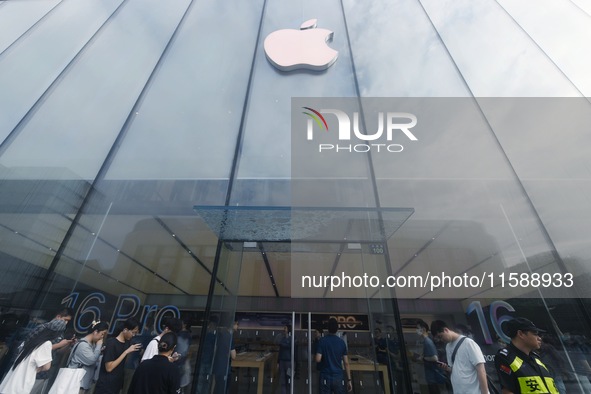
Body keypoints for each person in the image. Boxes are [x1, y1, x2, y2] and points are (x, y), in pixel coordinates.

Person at [495, 317, 559, 394]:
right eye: (535, 333)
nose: (539, 338)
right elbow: (507, 391)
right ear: (521, 334)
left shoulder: (536, 358)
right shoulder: (506, 358)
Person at [0, 319, 65, 394]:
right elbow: (47, 367)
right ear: (57, 334)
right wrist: (39, 369)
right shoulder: (46, 344)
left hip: (10, 381)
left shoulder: (33, 340)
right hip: (21, 384)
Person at [430, 320, 488, 394]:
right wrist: (446, 368)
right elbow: (455, 369)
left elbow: (481, 370)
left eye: (440, 336)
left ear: (446, 330)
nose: (441, 340)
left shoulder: (468, 343)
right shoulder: (448, 347)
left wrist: (485, 392)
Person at [28, 307, 76, 394]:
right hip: (33, 370)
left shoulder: (60, 333)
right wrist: (59, 345)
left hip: (46, 373)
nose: (66, 323)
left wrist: (67, 344)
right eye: (65, 320)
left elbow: (58, 352)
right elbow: (35, 347)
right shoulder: (43, 328)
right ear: (58, 317)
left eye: (68, 321)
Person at [94, 318, 142, 394]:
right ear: (125, 330)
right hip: (105, 387)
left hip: (116, 385)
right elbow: (109, 368)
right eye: (133, 332)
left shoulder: (127, 343)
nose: (134, 335)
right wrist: (126, 352)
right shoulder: (112, 343)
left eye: (135, 333)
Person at [66, 321, 109, 394]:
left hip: (83, 384)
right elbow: (91, 360)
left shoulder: (91, 344)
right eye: (102, 334)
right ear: (95, 331)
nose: (102, 337)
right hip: (77, 384)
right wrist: (98, 346)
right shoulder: (83, 345)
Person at [315, 318, 352, 393]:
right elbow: (346, 363)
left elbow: (318, 359)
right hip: (338, 376)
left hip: (325, 375)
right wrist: (349, 380)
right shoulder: (341, 343)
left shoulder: (322, 341)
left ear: (327, 329)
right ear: (337, 329)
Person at [417, 321, 446, 394]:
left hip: (433, 377)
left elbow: (434, 358)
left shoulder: (428, 342)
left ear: (423, 329)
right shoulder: (426, 341)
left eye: (417, 328)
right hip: (430, 377)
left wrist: (423, 358)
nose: (416, 331)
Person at [212, 320, 237, 394]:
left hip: (217, 366)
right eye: (237, 324)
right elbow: (234, 356)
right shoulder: (229, 337)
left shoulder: (220, 334)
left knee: (217, 387)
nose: (238, 326)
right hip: (224, 368)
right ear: (232, 325)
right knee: (222, 388)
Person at [276, 325, 293, 394]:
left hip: (290, 362)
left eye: (285, 328)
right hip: (282, 362)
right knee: (282, 381)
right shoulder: (282, 338)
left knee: (289, 380)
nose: (284, 329)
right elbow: (280, 350)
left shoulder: (292, 338)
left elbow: (288, 346)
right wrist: (278, 362)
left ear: (288, 329)